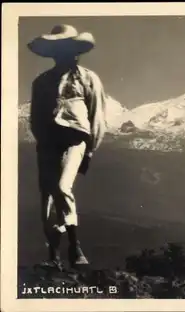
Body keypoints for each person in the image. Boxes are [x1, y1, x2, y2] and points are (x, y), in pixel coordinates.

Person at [28, 24, 108, 270]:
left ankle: (75, 245)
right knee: (48, 198)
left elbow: (97, 117)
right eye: (58, 49)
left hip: (75, 140)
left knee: (62, 187)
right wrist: (42, 141)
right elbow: (36, 117)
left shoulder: (87, 78)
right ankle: (54, 255)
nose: (63, 54)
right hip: (48, 142)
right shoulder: (41, 82)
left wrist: (91, 150)